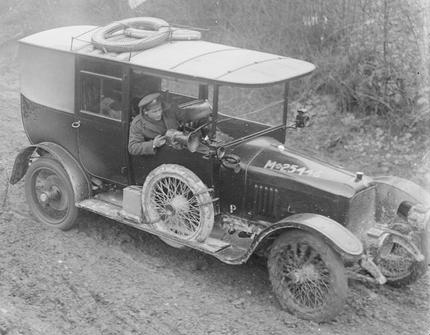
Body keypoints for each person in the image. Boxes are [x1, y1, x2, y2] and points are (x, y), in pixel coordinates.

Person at [128, 92, 210, 156]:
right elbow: (132, 147)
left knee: (207, 152)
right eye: (154, 111)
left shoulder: (168, 110)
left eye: (160, 109)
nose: (159, 113)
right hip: (161, 155)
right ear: (145, 112)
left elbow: (185, 114)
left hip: (180, 143)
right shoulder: (137, 124)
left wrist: (205, 109)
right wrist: (153, 144)